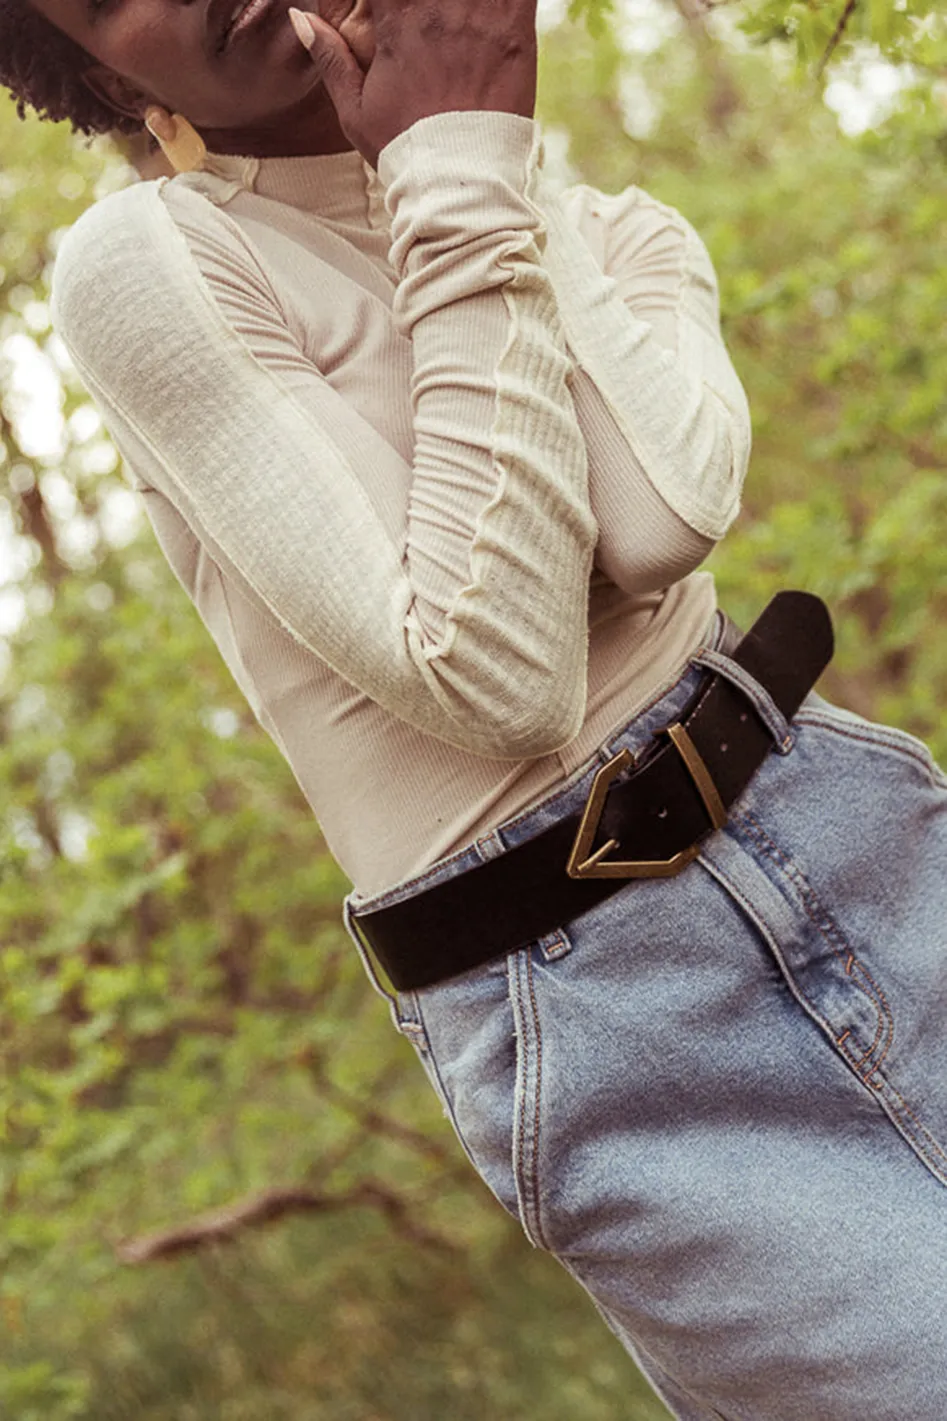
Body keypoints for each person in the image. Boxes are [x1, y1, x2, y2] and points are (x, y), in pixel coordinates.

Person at [4, 0, 947, 1413]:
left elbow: (653, 522)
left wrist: (476, 152)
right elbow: (493, 672)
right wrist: (454, 166)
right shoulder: (152, 262)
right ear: (92, 69)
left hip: (851, 827)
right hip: (606, 1011)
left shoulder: (614, 225)